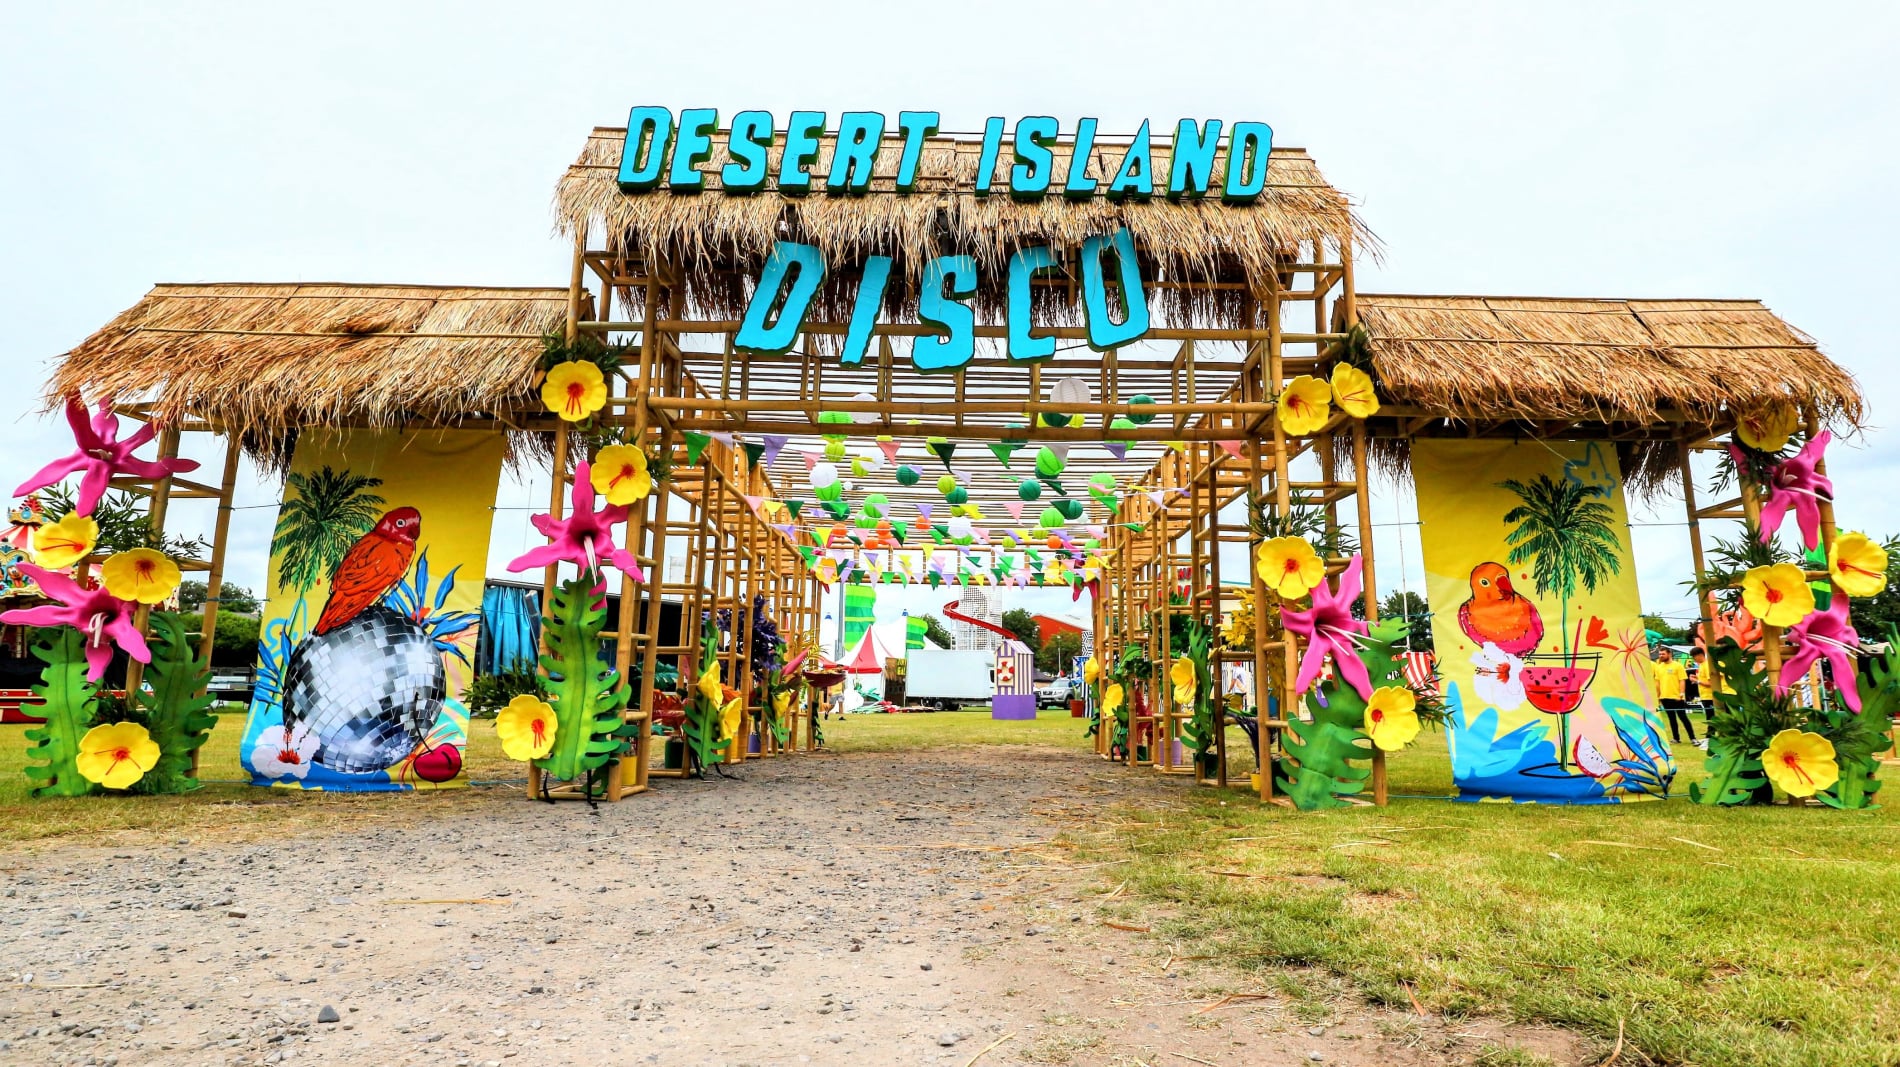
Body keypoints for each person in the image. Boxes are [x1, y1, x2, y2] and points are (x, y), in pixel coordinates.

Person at [1651, 645, 1694, 743]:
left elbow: (1682, 680)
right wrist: (1657, 697)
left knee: (1683, 717)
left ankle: (1693, 738)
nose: (1661, 656)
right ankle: (1676, 738)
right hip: (1664, 697)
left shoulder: (1677, 666)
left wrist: (1682, 693)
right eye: (1660, 654)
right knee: (1671, 719)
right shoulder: (1658, 667)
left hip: (1676, 696)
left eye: (1663, 654)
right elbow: (1657, 683)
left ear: (1669, 654)